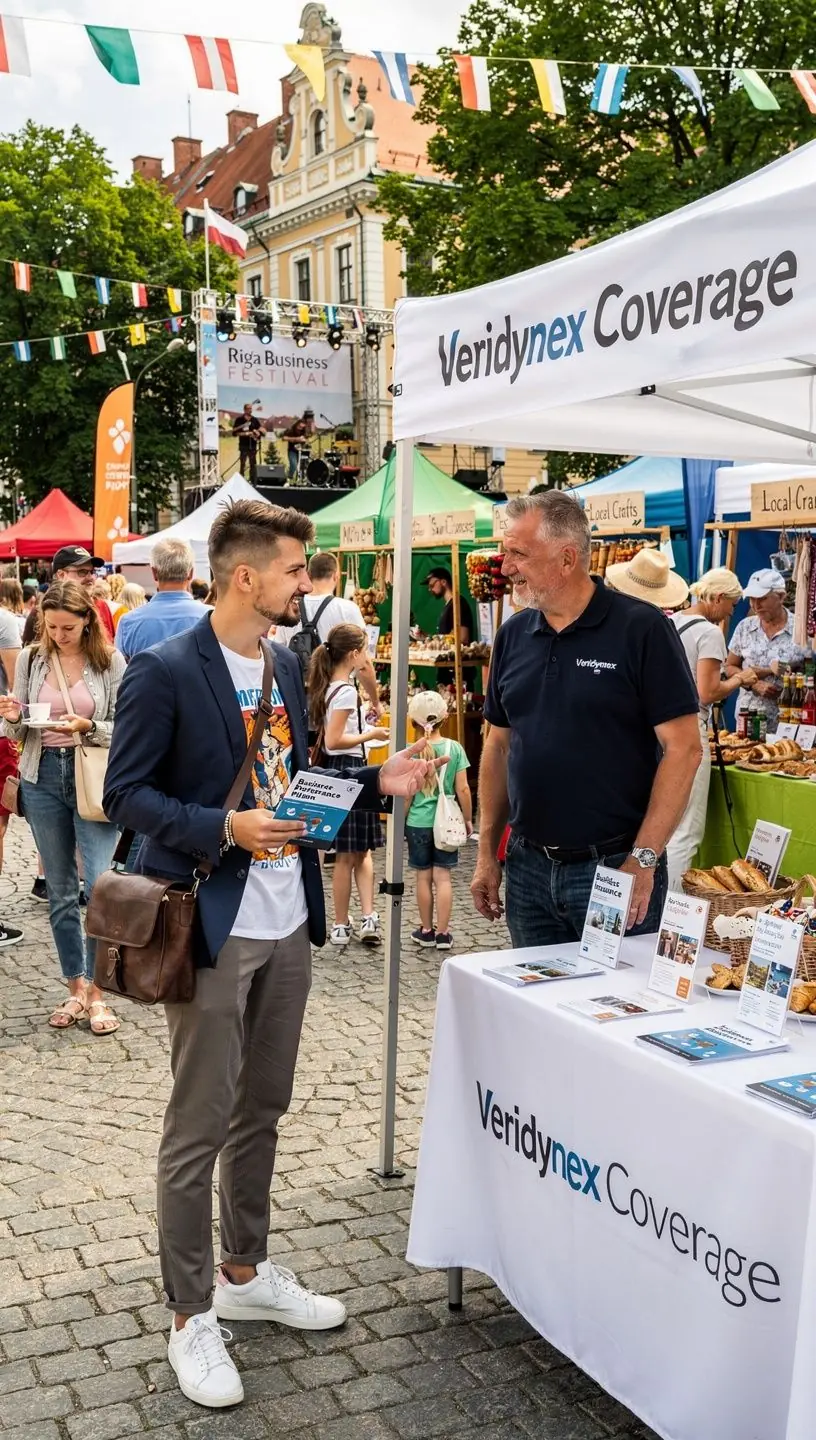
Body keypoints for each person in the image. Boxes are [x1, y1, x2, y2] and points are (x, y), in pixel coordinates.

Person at [101, 498, 444, 1410]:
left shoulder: (288, 661)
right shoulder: (166, 669)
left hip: (289, 918)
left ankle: (244, 1273)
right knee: (198, 1124)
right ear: (246, 575)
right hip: (210, 921)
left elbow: (299, 779)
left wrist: (376, 780)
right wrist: (225, 827)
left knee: (264, 1106)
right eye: (296, 569)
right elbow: (126, 794)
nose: (308, 583)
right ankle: (189, 1314)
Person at [471, 492, 701, 947]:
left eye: (518, 553)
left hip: (614, 867)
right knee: (532, 993)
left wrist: (643, 860)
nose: (506, 566)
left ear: (566, 559)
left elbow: (685, 749)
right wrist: (485, 853)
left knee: (620, 993)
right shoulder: (513, 634)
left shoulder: (641, 628)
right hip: (528, 869)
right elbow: (497, 746)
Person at [0, 582, 125, 1032]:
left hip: (92, 776)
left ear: (87, 620)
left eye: (67, 627)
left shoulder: (109, 661)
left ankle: (100, 991)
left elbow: (127, 725)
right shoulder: (32, 659)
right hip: (42, 777)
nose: (58, 635)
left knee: (100, 887)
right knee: (60, 891)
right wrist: (13, 717)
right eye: (51, 627)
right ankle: (76, 986)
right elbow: (17, 731)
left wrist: (88, 726)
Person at [608, 559, 756, 889]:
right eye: (732, 604)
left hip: (652, 733)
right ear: (718, 597)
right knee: (685, 830)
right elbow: (707, 692)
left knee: (657, 824)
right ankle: (669, 907)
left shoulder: (669, 622)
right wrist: (739, 680)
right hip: (687, 730)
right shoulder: (709, 633)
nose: (730, 612)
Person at [307, 624, 389, 946]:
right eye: (364, 650)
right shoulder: (345, 691)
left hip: (341, 770)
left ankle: (344, 923)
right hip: (350, 770)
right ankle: (359, 918)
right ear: (354, 654)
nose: (366, 657)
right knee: (353, 853)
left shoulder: (330, 686)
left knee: (348, 852)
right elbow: (334, 741)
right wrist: (371, 734)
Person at [405, 689, 472, 951]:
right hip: (447, 823)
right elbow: (463, 789)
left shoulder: (410, 752)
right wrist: (468, 819)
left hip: (418, 821)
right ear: (444, 718)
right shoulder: (454, 748)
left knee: (423, 877)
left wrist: (401, 821)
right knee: (443, 877)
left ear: (413, 721)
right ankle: (443, 933)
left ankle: (426, 930)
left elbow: (407, 795)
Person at [274, 552, 381, 713]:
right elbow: (363, 664)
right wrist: (375, 701)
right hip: (337, 702)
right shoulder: (347, 609)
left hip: (297, 701)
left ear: (308, 575)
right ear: (336, 576)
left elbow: (277, 656)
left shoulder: (290, 608)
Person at [726, 569, 806, 732]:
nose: (756, 606)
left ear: (781, 597)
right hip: (748, 720)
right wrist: (754, 684)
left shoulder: (801, 629)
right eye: (752, 599)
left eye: (762, 598)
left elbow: (811, 672)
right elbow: (729, 667)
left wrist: (786, 674)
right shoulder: (744, 627)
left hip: (790, 723)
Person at [116, 538, 207, 660]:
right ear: (190, 573)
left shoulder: (129, 622)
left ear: (154, 573)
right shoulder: (212, 617)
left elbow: (120, 668)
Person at [52, 545, 115, 642]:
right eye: (82, 572)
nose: (90, 578)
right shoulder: (46, 610)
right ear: (61, 575)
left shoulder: (101, 606)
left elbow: (110, 644)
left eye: (92, 571)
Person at [232, 403, 265, 482]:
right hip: (243, 445)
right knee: (243, 464)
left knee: (253, 464)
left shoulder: (254, 420)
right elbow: (235, 433)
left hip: (253, 445)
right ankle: (241, 480)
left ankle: (252, 480)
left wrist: (258, 432)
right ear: (244, 410)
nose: (250, 410)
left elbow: (261, 430)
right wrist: (246, 434)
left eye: (251, 408)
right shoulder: (239, 419)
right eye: (248, 409)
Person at [282, 407, 315, 481]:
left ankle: (303, 480)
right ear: (297, 424)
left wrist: (312, 423)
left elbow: (311, 433)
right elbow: (284, 438)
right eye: (299, 426)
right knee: (294, 465)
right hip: (292, 450)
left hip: (302, 450)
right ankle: (289, 478)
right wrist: (296, 439)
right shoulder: (291, 429)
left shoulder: (305, 429)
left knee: (304, 466)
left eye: (302, 427)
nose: (300, 428)